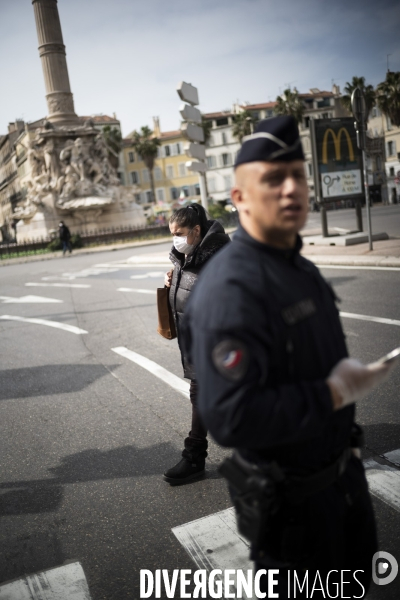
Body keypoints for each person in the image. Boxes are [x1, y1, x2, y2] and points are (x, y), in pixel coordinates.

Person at [183, 117, 395, 597]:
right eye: (273, 179)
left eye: (298, 175)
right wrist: (333, 393)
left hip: (342, 487)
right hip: (295, 514)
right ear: (238, 198)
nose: (290, 188)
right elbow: (233, 417)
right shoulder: (230, 288)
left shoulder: (297, 264)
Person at [163, 202, 230, 485]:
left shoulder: (221, 260)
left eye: (179, 232)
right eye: (172, 234)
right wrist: (172, 283)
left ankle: (194, 457)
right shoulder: (183, 258)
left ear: (197, 230)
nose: (175, 239)